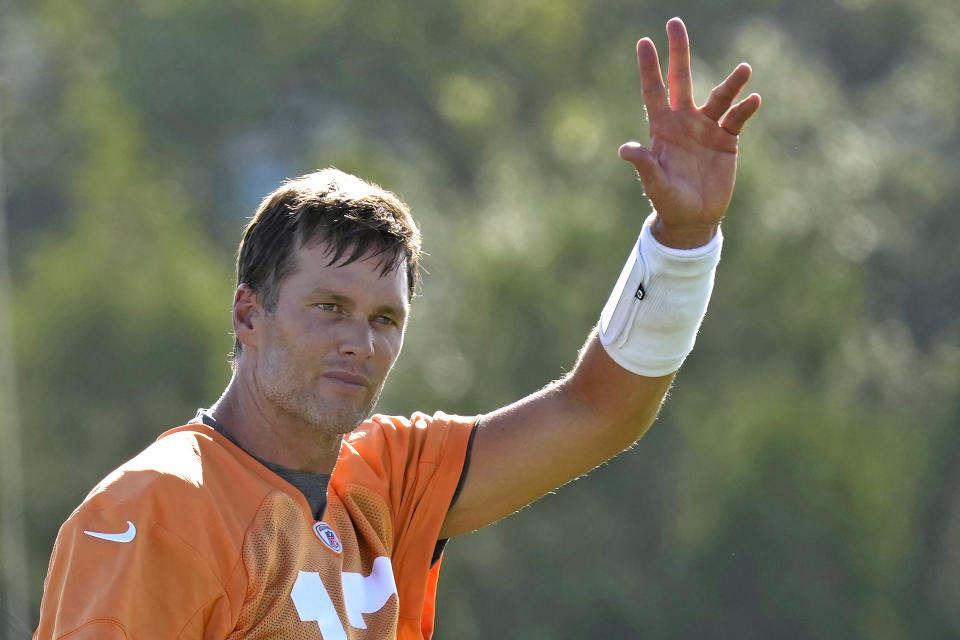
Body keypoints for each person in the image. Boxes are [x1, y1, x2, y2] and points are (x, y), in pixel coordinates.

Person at [34, 17, 760, 640]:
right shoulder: (154, 507)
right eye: (328, 308)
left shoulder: (388, 477)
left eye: (386, 318)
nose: (362, 342)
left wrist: (681, 240)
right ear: (248, 314)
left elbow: (597, 411)